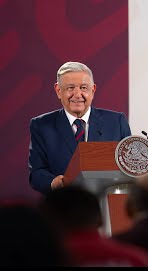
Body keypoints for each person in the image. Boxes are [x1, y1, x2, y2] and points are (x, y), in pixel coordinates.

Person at [28, 61, 131, 194]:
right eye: (70, 88)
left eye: (83, 88)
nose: (77, 95)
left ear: (93, 90)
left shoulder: (116, 122)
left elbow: (130, 167)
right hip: (64, 205)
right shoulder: (41, 125)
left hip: (107, 205)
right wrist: (55, 182)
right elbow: (36, 173)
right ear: (58, 91)